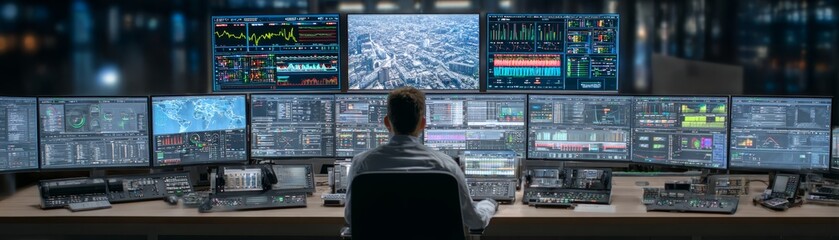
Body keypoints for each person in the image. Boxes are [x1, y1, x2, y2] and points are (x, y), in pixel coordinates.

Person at [344, 87, 498, 230]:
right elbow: (475, 221)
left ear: (386, 122)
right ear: (423, 123)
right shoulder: (447, 166)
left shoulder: (361, 164)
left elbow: (351, 217)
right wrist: (488, 204)